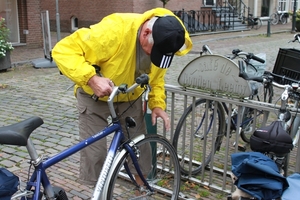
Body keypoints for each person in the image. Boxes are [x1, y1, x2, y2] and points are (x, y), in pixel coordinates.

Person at [52, 7, 192, 186]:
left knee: (140, 149)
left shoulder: (170, 36)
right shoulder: (113, 31)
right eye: (153, 51)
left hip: (129, 95)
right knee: (95, 154)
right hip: (95, 96)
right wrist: (92, 79)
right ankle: (98, 193)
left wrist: (157, 105)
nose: (153, 56)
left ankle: (142, 191)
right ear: (146, 32)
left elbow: (157, 77)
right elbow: (63, 51)